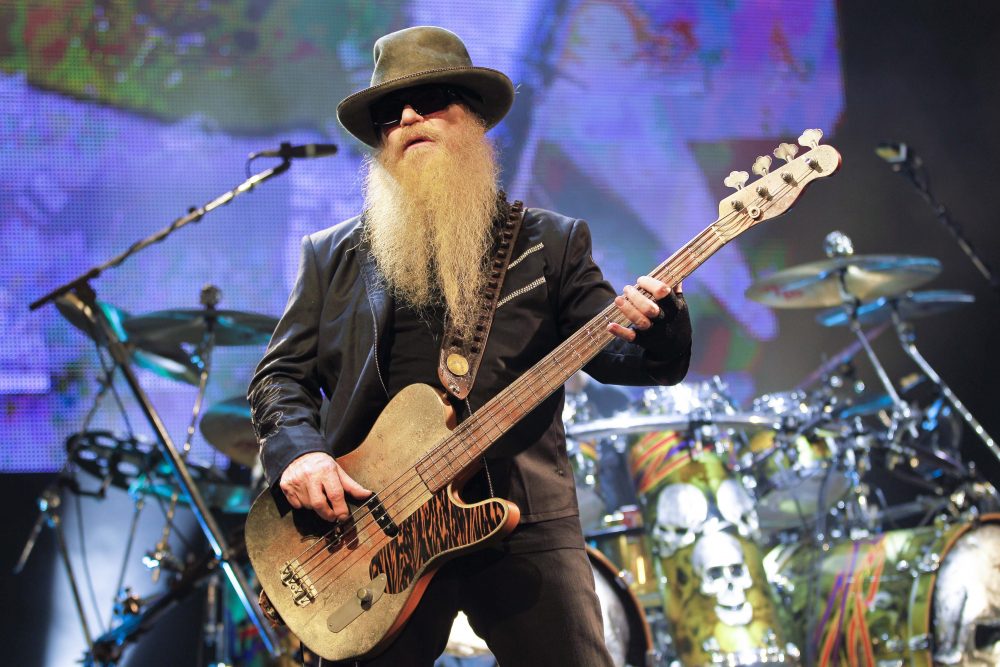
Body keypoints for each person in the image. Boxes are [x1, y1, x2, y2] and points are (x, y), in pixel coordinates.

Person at [248, 26, 691, 666]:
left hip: (523, 522)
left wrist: (661, 321)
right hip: (373, 533)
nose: (405, 119)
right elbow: (278, 377)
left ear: (474, 119)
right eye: (389, 114)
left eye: (429, 101)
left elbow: (619, 356)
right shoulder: (331, 256)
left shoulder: (553, 242)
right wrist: (299, 457)